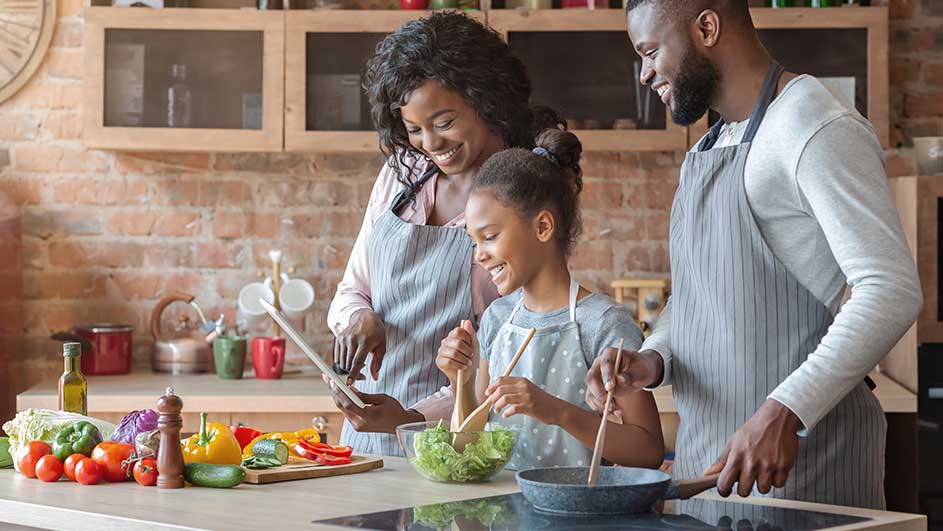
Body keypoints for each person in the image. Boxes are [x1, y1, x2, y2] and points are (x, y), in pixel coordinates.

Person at [586, 0, 921, 509]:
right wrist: (652, 360)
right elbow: (699, 296)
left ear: (707, 27)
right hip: (710, 476)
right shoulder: (711, 144)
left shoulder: (812, 122)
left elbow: (890, 288)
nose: (645, 72)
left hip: (808, 477)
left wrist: (786, 409)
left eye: (651, 50)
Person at [326, 12, 562, 456]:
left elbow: (513, 356)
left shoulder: (517, 192)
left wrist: (412, 420)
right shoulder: (402, 174)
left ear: (486, 100)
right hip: (364, 436)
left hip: (453, 443)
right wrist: (359, 320)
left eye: (444, 122)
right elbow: (352, 289)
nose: (430, 144)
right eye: (414, 129)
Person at [436, 129, 664, 470]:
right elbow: (472, 445)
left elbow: (648, 450)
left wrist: (556, 411)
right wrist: (461, 379)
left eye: (490, 237)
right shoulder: (498, 318)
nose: (479, 255)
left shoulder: (603, 323)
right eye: (474, 242)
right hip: (504, 520)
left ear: (543, 226)